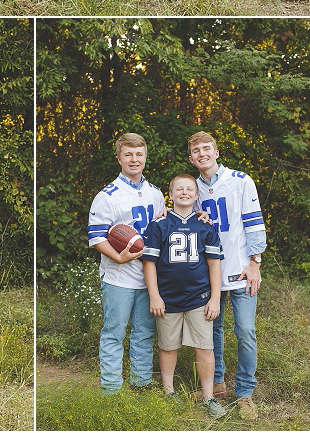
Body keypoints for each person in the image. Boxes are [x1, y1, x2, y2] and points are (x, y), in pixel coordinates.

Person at [187, 131, 266, 420]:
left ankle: (245, 391)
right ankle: (217, 383)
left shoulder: (240, 180)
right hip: (211, 273)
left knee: (245, 330)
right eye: (196, 150)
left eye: (206, 148)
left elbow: (254, 221)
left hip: (242, 269)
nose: (202, 154)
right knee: (212, 329)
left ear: (216, 152)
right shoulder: (192, 188)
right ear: (191, 157)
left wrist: (255, 261)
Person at [86, 132, 165, 394]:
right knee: (114, 332)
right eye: (128, 154)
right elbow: (97, 237)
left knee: (144, 333)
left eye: (139, 154)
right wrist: (118, 256)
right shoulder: (107, 195)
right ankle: (111, 390)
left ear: (145, 157)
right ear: (119, 157)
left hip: (148, 277)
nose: (134, 159)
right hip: (118, 276)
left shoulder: (155, 193)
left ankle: (140, 384)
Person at [142, 174, 226, 418]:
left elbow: (213, 264)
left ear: (196, 195)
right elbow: (149, 264)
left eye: (190, 189)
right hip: (167, 298)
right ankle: (169, 392)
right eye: (179, 189)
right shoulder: (159, 225)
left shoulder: (206, 226)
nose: (185, 192)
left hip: (199, 298)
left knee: (204, 347)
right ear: (171, 194)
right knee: (168, 347)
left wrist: (214, 298)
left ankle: (208, 397)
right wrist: (154, 296)